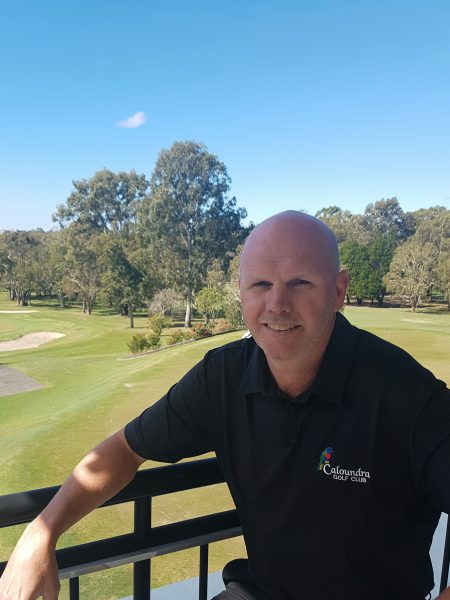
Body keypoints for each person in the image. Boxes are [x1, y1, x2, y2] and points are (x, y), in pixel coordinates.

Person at [1, 210, 449, 600]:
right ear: (241, 292)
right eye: (260, 284)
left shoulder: (409, 396)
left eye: (299, 283)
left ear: (337, 291)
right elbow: (122, 451)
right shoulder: (224, 377)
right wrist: (40, 533)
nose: (277, 304)